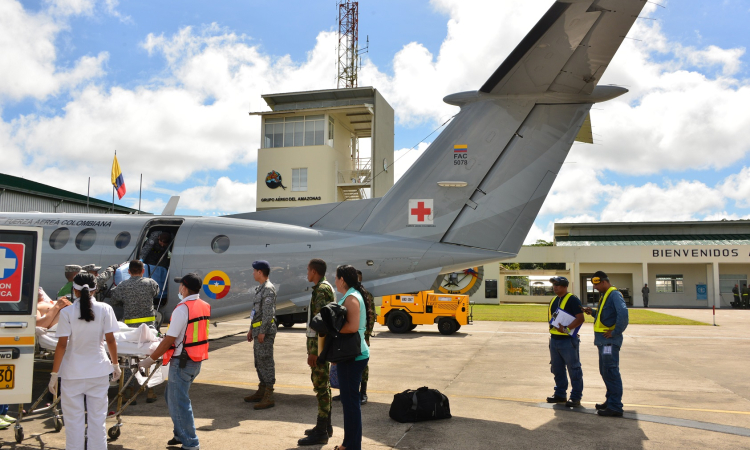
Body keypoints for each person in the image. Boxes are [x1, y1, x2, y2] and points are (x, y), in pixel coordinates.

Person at [48, 272, 121, 450]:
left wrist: (54, 374)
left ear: (75, 290)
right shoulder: (105, 309)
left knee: (74, 423)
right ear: (96, 289)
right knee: (97, 420)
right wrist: (115, 364)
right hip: (98, 372)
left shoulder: (66, 312)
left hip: (72, 374)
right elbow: (110, 340)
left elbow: (62, 346)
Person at [139, 273, 210, 450]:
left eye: (180, 286)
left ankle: (191, 443)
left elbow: (170, 339)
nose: (179, 289)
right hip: (195, 359)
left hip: (182, 362)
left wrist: (150, 359)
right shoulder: (204, 305)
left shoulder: (182, 308)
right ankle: (180, 433)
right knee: (172, 397)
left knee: (179, 402)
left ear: (184, 288)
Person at [109, 260, 159, 403]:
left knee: (128, 358)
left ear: (129, 272)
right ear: (143, 271)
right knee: (150, 357)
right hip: (149, 328)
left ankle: (129, 391)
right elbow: (155, 293)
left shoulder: (123, 285)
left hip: (130, 330)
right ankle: (150, 390)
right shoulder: (151, 283)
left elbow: (114, 300)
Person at [298, 259, 336, 446]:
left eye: (308, 270)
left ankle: (321, 431)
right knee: (324, 386)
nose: (307, 273)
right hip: (322, 347)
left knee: (320, 387)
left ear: (314, 271)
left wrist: (315, 352)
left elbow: (321, 324)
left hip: (319, 347)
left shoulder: (321, 290)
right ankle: (325, 425)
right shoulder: (323, 287)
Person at [333, 265, 370, 450]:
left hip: (353, 357)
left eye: (336, 277)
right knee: (350, 403)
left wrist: (332, 329)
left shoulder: (352, 297)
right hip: (352, 355)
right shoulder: (353, 294)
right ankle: (349, 444)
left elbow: (353, 327)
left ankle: (352, 446)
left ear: (342, 280)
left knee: (351, 404)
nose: (335, 281)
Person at [582, 271, 629, 418]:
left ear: (603, 282)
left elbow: (623, 313)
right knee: (605, 371)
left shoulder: (614, 294)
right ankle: (610, 401)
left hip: (609, 342)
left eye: (596, 284)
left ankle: (615, 406)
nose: (595, 287)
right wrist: (593, 313)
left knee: (610, 371)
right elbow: (607, 314)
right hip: (603, 341)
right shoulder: (606, 295)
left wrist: (615, 332)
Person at [545, 276, 585, 408]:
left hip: (567, 340)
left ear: (565, 286)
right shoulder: (554, 300)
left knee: (574, 369)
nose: (555, 287)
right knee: (557, 369)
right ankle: (560, 394)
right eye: (554, 285)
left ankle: (575, 397)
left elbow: (580, 318)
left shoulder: (572, 299)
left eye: (558, 285)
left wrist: (568, 329)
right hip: (555, 340)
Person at [244, 260, 278, 410]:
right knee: (259, 361)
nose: (253, 273)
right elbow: (257, 313)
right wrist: (252, 329)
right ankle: (262, 390)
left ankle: (269, 395)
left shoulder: (268, 289)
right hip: (258, 331)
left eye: (254, 271)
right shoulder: (260, 289)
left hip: (265, 332)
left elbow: (268, 314)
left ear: (260, 272)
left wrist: (263, 331)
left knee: (265, 361)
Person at [357, 270, 375, 405]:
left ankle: (363, 392)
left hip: (362, 335)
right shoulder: (349, 294)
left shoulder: (366, 295)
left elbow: (371, 317)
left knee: (363, 365)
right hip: (350, 335)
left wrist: (367, 336)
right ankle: (345, 390)